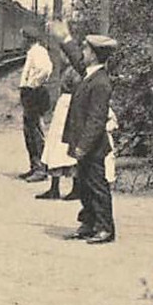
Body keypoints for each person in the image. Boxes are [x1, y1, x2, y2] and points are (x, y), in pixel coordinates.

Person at [47, 20, 118, 244]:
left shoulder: (100, 83)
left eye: (86, 48)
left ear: (95, 55)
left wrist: (82, 147)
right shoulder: (92, 74)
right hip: (85, 144)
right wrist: (65, 38)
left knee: (97, 185)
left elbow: (97, 121)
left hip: (93, 146)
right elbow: (78, 61)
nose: (83, 51)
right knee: (85, 186)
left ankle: (105, 228)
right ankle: (88, 223)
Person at [36, 66, 80, 200]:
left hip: (70, 104)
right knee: (56, 147)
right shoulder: (71, 68)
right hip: (65, 105)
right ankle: (55, 188)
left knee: (63, 147)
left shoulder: (76, 70)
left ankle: (73, 188)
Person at [18, 26, 53, 182]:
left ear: (27, 39)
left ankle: (41, 169)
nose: (21, 41)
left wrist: (32, 84)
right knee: (29, 131)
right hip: (30, 94)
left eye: (23, 38)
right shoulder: (33, 52)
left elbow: (46, 70)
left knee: (35, 132)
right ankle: (34, 166)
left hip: (35, 94)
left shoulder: (38, 52)